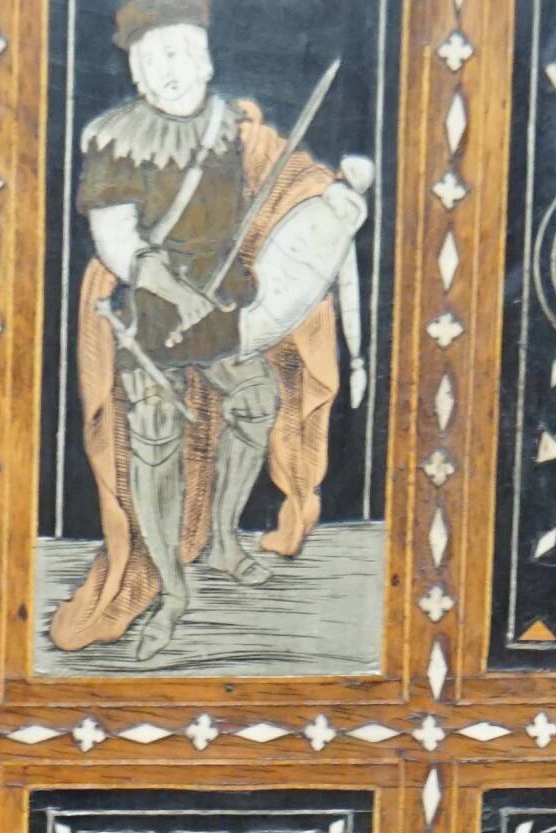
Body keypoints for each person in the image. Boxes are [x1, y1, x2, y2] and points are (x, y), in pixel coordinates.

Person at [49, 0, 373, 662]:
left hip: (227, 310)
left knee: (254, 405)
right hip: (155, 318)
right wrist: (172, 290)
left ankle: (223, 535)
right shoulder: (114, 140)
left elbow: (288, 183)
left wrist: (337, 197)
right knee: (156, 448)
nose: (169, 70)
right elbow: (116, 241)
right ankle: (170, 592)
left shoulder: (233, 128)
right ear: (137, 72)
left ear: (202, 56)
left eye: (179, 53)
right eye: (154, 58)